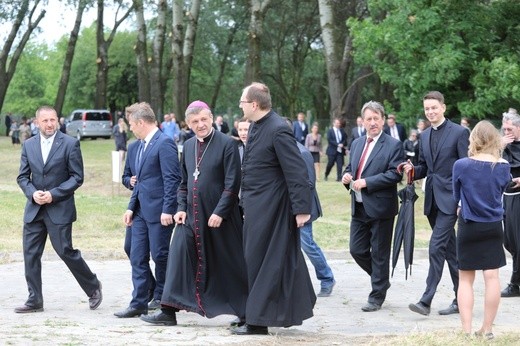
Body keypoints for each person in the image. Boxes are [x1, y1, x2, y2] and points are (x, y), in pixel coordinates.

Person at [140, 100, 248, 327]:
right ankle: (168, 310)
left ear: (211, 118)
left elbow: (232, 184)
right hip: (191, 214)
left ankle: (246, 312)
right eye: (195, 122)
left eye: (204, 120)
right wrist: (179, 208)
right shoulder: (188, 146)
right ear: (188, 124)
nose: (200, 125)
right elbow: (183, 182)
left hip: (221, 217)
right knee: (178, 255)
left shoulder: (228, 144)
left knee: (230, 263)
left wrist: (221, 211)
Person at [232, 82, 315, 335]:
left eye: (242, 101)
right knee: (256, 261)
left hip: (274, 209)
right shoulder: (257, 126)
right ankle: (255, 314)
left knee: (265, 262)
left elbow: (296, 171)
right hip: (257, 207)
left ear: (254, 104)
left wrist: (302, 209)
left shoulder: (278, 129)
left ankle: (257, 322)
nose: (240, 105)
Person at [15, 105, 102, 313]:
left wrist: (53, 194)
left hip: (59, 208)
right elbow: (22, 177)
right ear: (37, 122)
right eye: (45, 121)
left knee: (65, 251)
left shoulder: (70, 144)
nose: (49, 124)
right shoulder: (28, 145)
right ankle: (35, 299)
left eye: (53, 120)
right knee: (30, 254)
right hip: (35, 209)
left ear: (58, 120)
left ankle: (93, 286)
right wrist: (32, 193)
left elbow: (77, 178)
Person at [404, 91, 470, 316]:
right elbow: (424, 167)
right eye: (427, 109)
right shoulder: (423, 136)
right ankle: (462, 299)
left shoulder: (460, 132)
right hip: (432, 199)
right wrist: (411, 170)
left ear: (443, 107)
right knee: (451, 253)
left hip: (451, 199)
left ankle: (426, 299)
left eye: (434, 107)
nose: (430, 111)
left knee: (436, 247)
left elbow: (466, 168)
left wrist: (463, 200)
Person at [115, 102, 181, 318]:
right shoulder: (138, 146)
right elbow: (138, 181)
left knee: (160, 255)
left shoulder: (165, 143)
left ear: (141, 122)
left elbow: (172, 179)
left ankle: (164, 299)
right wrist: (130, 207)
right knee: (136, 255)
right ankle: (139, 302)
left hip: (159, 212)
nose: (131, 129)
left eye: (132, 124)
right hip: (140, 212)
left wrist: (168, 210)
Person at [341, 101, 403, 312]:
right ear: (363, 121)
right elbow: (351, 168)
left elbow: (395, 173)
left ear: (383, 120)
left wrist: (368, 182)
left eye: (376, 118)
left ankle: (376, 296)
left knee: (379, 253)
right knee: (356, 249)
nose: (373, 122)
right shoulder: (357, 143)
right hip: (358, 207)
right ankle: (381, 280)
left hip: (381, 208)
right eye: (369, 119)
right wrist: (346, 176)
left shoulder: (393, 145)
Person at [452, 120, 510, 338]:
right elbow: (503, 187)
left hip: (469, 225)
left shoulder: (461, 165)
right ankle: (487, 329)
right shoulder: (503, 166)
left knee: (465, 278)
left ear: (473, 138)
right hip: (494, 225)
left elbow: (456, 197)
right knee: (492, 277)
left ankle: (466, 331)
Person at [286, 118, 335, 297]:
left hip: (303, 209)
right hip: (286, 209)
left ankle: (327, 278)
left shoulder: (302, 153)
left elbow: (308, 184)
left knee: (307, 245)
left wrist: (301, 211)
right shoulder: (281, 152)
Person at [121, 108, 156, 309]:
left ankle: (156, 291)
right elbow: (127, 175)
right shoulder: (133, 148)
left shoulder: (158, 143)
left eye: (132, 123)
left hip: (152, 207)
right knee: (131, 248)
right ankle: (148, 286)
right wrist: (130, 181)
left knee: (154, 253)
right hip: (136, 205)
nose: (131, 128)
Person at [500, 111, 520, 298]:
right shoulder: (502, 145)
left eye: (510, 129)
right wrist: (500, 147)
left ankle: (515, 284)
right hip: (506, 196)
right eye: (504, 129)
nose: (506, 132)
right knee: (510, 241)